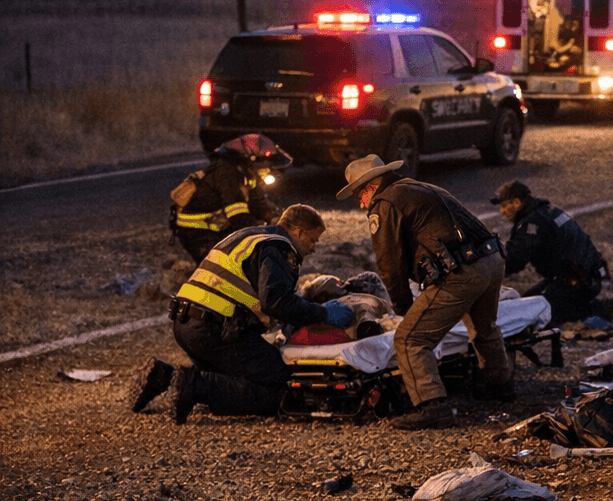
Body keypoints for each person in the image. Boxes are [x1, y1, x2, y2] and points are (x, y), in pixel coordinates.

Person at [132, 204, 355, 423]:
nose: (313, 247)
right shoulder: (279, 248)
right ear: (299, 231)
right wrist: (322, 314)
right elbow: (276, 301)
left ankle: (163, 376)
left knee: (231, 378)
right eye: (313, 240)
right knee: (279, 384)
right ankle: (192, 385)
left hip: (186, 324)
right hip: (215, 329)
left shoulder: (251, 236)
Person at [338, 155, 513, 430]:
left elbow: (389, 262)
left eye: (359, 194)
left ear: (370, 186)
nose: (360, 202)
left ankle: (432, 406)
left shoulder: (384, 203)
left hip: (462, 272)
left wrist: (402, 307)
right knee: (483, 325)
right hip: (492, 261)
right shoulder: (422, 188)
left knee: (410, 339)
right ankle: (499, 385)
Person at [492, 180, 611, 326]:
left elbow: (515, 259)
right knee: (527, 302)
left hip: (575, 283)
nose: (502, 212)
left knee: (530, 316)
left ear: (516, 203)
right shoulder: (548, 211)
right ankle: (588, 307)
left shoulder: (532, 223)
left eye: (504, 206)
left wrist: (489, 269)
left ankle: (593, 311)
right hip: (587, 277)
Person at [170, 134, 291, 262]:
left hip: (218, 225)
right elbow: (239, 216)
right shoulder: (227, 173)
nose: (267, 172)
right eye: (266, 167)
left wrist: (278, 220)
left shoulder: (246, 173)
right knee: (224, 267)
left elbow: (258, 203)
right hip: (198, 232)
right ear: (252, 159)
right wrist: (265, 240)